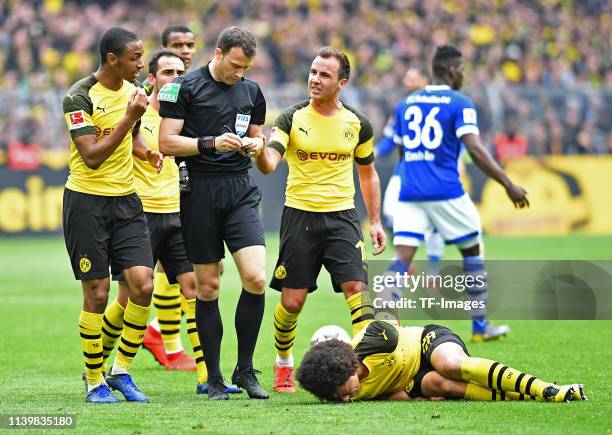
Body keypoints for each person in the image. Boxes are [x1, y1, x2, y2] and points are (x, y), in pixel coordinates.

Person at [99, 50, 241, 396]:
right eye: (166, 72)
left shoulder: (186, 117)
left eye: (180, 72)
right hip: (139, 216)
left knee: (194, 288)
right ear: (152, 79)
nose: (174, 77)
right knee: (127, 298)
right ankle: (100, 366)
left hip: (180, 215)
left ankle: (207, 375)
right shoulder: (135, 114)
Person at [255, 47, 387, 393]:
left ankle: (365, 370)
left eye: (324, 75)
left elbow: (368, 174)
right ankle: (283, 362)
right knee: (292, 301)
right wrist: (259, 152)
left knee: (357, 291)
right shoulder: (291, 118)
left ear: (341, 82)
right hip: (300, 217)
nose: (314, 79)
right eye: (313, 72)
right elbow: (270, 162)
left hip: (342, 217)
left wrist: (374, 221)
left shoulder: (358, 123)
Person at [158, 26, 268, 400]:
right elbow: (166, 141)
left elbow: (258, 136)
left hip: (240, 188)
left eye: (246, 68)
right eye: (235, 65)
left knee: (256, 278)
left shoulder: (252, 91)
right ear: (218, 53)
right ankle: (215, 378)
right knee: (208, 287)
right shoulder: (183, 88)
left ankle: (246, 369)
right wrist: (211, 143)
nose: (240, 74)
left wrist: (255, 143)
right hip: (199, 191)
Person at [390, 45, 529, 341]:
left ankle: (381, 325)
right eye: (462, 68)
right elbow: (475, 149)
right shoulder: (461, 102)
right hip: (446, 190)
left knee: (401, 256)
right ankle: (480, 327)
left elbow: (401, 150)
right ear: (452, 70)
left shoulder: (406, 103)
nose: (463, 73)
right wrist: (507, 184)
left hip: (411, 190)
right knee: (472, 248)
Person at [62, 27, 153, 403]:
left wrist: (145, 150)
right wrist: (129, 117)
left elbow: (129, 140)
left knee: (143, 285)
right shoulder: (78, 97)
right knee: (97, 294)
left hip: (126, 201)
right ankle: (94, 380)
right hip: (87, 202)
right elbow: (93, 156)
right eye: (135, 57)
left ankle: (121, 372)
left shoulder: (136, 92)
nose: (141, 64)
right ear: (112, 59)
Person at [297, 319, 587, 403]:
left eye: (343, 391)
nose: (346, 399)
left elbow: (386, 320)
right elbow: (393, 394)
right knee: (442, 384)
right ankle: (518, 398)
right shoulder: (349, 390)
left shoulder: (374, 339)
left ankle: (547, 389)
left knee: (451, 366)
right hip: (414, 377)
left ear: (346, 365)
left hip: (427, 343)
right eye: (339, 397)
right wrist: (412, 394)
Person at [140, 24, 199, 372]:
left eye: (190, 46)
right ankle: (168, 342)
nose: (187, 51)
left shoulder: (195, 95)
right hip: (153, 204)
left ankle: (161, 334)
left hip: (186, 196)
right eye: (178, 46)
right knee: (153, 277)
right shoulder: (142, 106)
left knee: (201, 272)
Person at [375, 67, 447, 278]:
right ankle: (405, 258)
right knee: (388, 214)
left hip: (431, 172)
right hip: (405, 171)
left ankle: (433, 271)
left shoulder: (439, 105)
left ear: (425, 82)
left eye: (411, 78)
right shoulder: (401, 107)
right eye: (406, 77)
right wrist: (375, 151)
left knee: (435, 221)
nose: (406, 81)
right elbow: (391, 139)